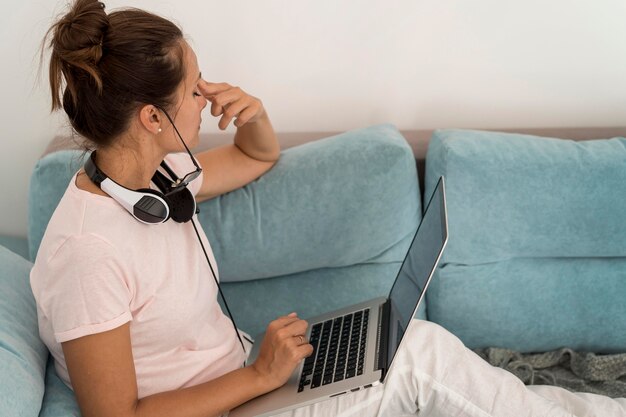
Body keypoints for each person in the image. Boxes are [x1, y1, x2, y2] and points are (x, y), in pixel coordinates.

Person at [31, 1, 626, 416]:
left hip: (245, 380)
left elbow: (256, 158)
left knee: (417, 350)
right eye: (194, 87)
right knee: (420, 360)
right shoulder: (88, 253)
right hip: (231, 401)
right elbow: (118, 415)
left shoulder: (155, 183)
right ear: (153, 118)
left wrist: (253, 114)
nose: (205, 96)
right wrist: (259, 375)